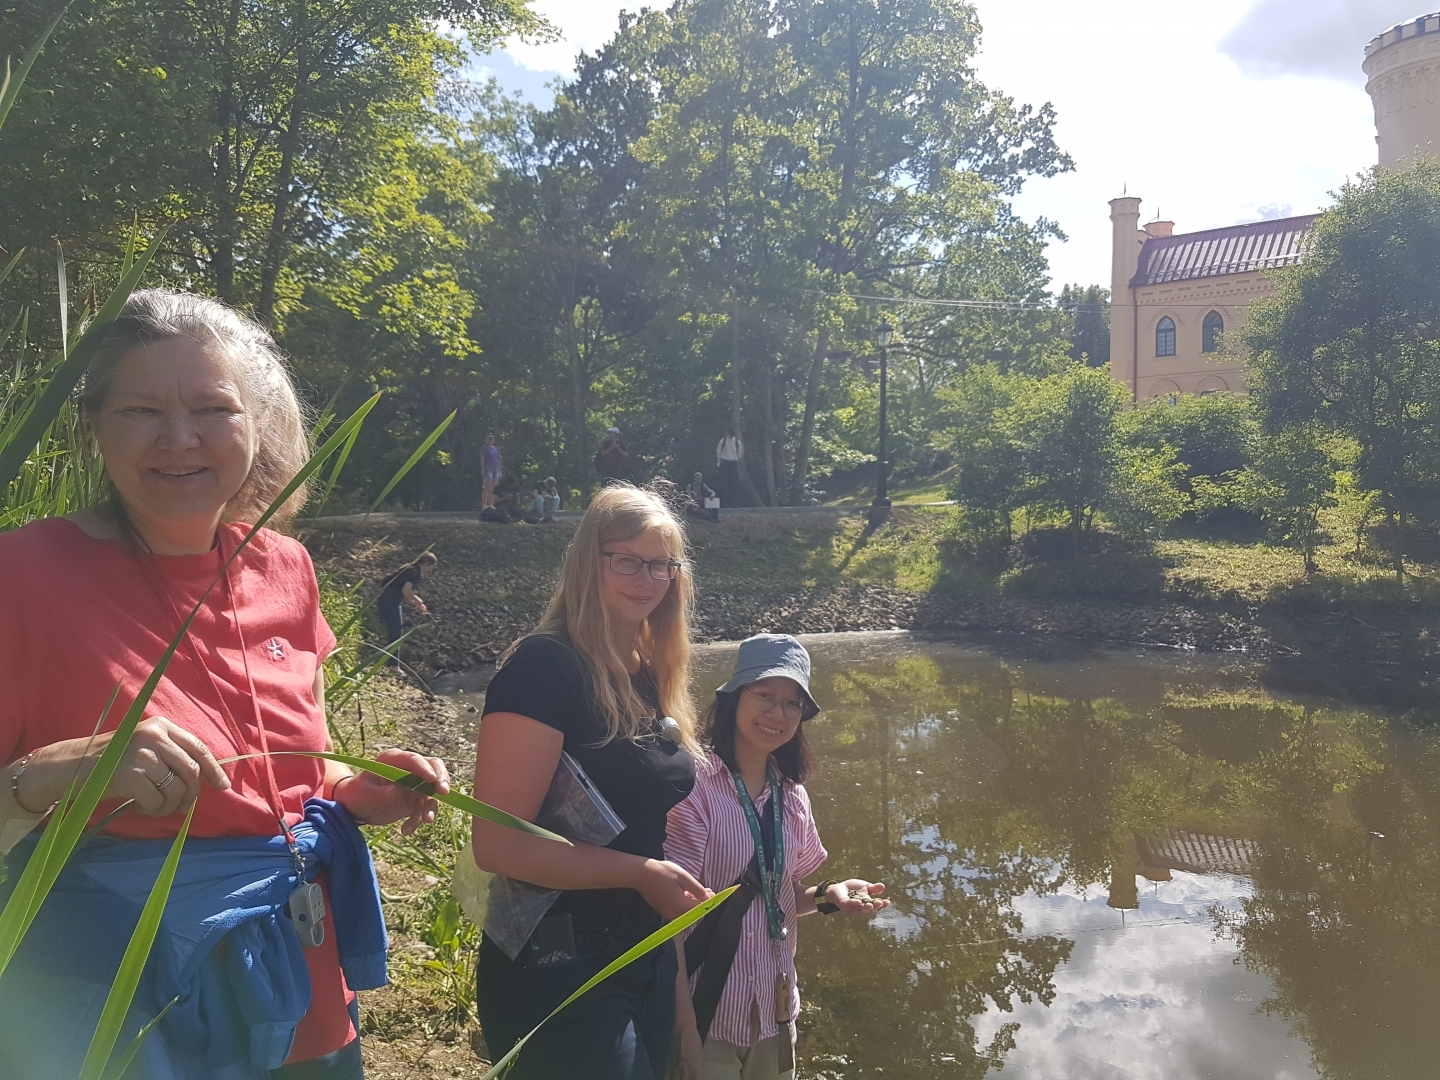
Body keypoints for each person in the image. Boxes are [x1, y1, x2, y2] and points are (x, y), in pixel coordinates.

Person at [0, 289, 450, 1079]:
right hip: (117, 1012)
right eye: (141, 410)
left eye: (213, 408)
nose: (180, 439)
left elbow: (291, 773)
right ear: (93, 425)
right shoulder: (21, 576)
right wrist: (51, 777)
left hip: (303, 991)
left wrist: (360, 788)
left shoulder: (287, 566)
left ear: (258, 424)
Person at [471, 485, 711, 1079]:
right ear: (589, 562)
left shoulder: (648, 670)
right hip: (559, 963)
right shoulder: (543, 666)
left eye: (661, 564)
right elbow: (497, 846)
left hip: (644, 953)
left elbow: (647, 839)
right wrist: (638, 874)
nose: (646, 577)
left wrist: (681, 1010)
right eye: (626, 559)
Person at [666, 635, 889, 1080]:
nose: (778, 714)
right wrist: (684, 1026)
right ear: (733, 697)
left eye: (792, 703)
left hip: (775, 1011)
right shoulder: (693, 788)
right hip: (708, 1012)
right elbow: (668, 915)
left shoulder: (793, 797)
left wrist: (830, 894)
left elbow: (779, 897)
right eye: (764, 695)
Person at [377, 551, 437, 665]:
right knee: (396, 634)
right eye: (431, 568)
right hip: (391, 603)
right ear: (426, 563)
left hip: (385, 600)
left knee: (393, 632)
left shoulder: (409, 568)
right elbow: (406, 590)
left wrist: (417, 604)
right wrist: (418, 600)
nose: (430, 571)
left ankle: (390, 662)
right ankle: (394, 666)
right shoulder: (415, 573)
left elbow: (402, 592)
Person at [715, 430, 743, 508]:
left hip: (733, 463)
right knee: (724, 483)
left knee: (734, 483)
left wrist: (737, 459)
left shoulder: (737, 442)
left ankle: (734, 503)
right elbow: (719, 451)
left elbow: (739, 452)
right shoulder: (723, 441)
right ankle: (725, 502)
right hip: (725, 462)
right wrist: (719, 462)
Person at [481, 434, 502, 510]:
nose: (490, 440)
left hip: (495, 467)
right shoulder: (484, 448)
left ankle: (491, 504)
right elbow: (482, 459)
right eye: (489, 439)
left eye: (492, 439)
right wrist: (483, 469)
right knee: (487, 487)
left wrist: (500, 470)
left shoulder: (496, 448)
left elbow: (498, 460)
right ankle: (484, 504)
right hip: (488, 467)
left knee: (494, 488)